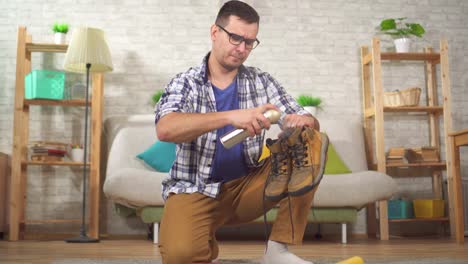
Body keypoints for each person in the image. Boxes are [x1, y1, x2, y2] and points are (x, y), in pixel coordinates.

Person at [154, 1, 328, 264]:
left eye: (250, 42)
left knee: (311, 140)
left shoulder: (262, 81)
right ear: (215, 32)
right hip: (194, 189)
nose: (242, 48)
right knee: (182, 255)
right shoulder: (185, 82)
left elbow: (311, 123)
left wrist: (302, 121)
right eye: (235, 38)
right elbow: (165, 128)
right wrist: (231, 116)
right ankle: (200, 240)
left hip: (248, 186)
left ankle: (277, 251)